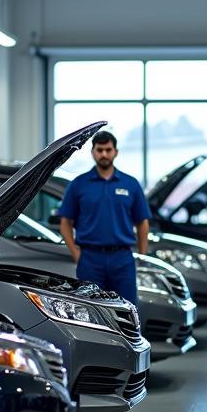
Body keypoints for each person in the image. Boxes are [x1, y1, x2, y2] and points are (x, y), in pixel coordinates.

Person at [57, 130, 150, 306]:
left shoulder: (131, 184)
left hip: (122, 258)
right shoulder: (78, 184)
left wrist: (142, 255)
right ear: (93, 152)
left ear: (116, 152)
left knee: (127, 309)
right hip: (90, 259)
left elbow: (142, 222)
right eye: (100, 150)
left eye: (108, 150)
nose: (104, 154)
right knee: (92, 310)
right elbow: (65, 224)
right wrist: (76, 254)